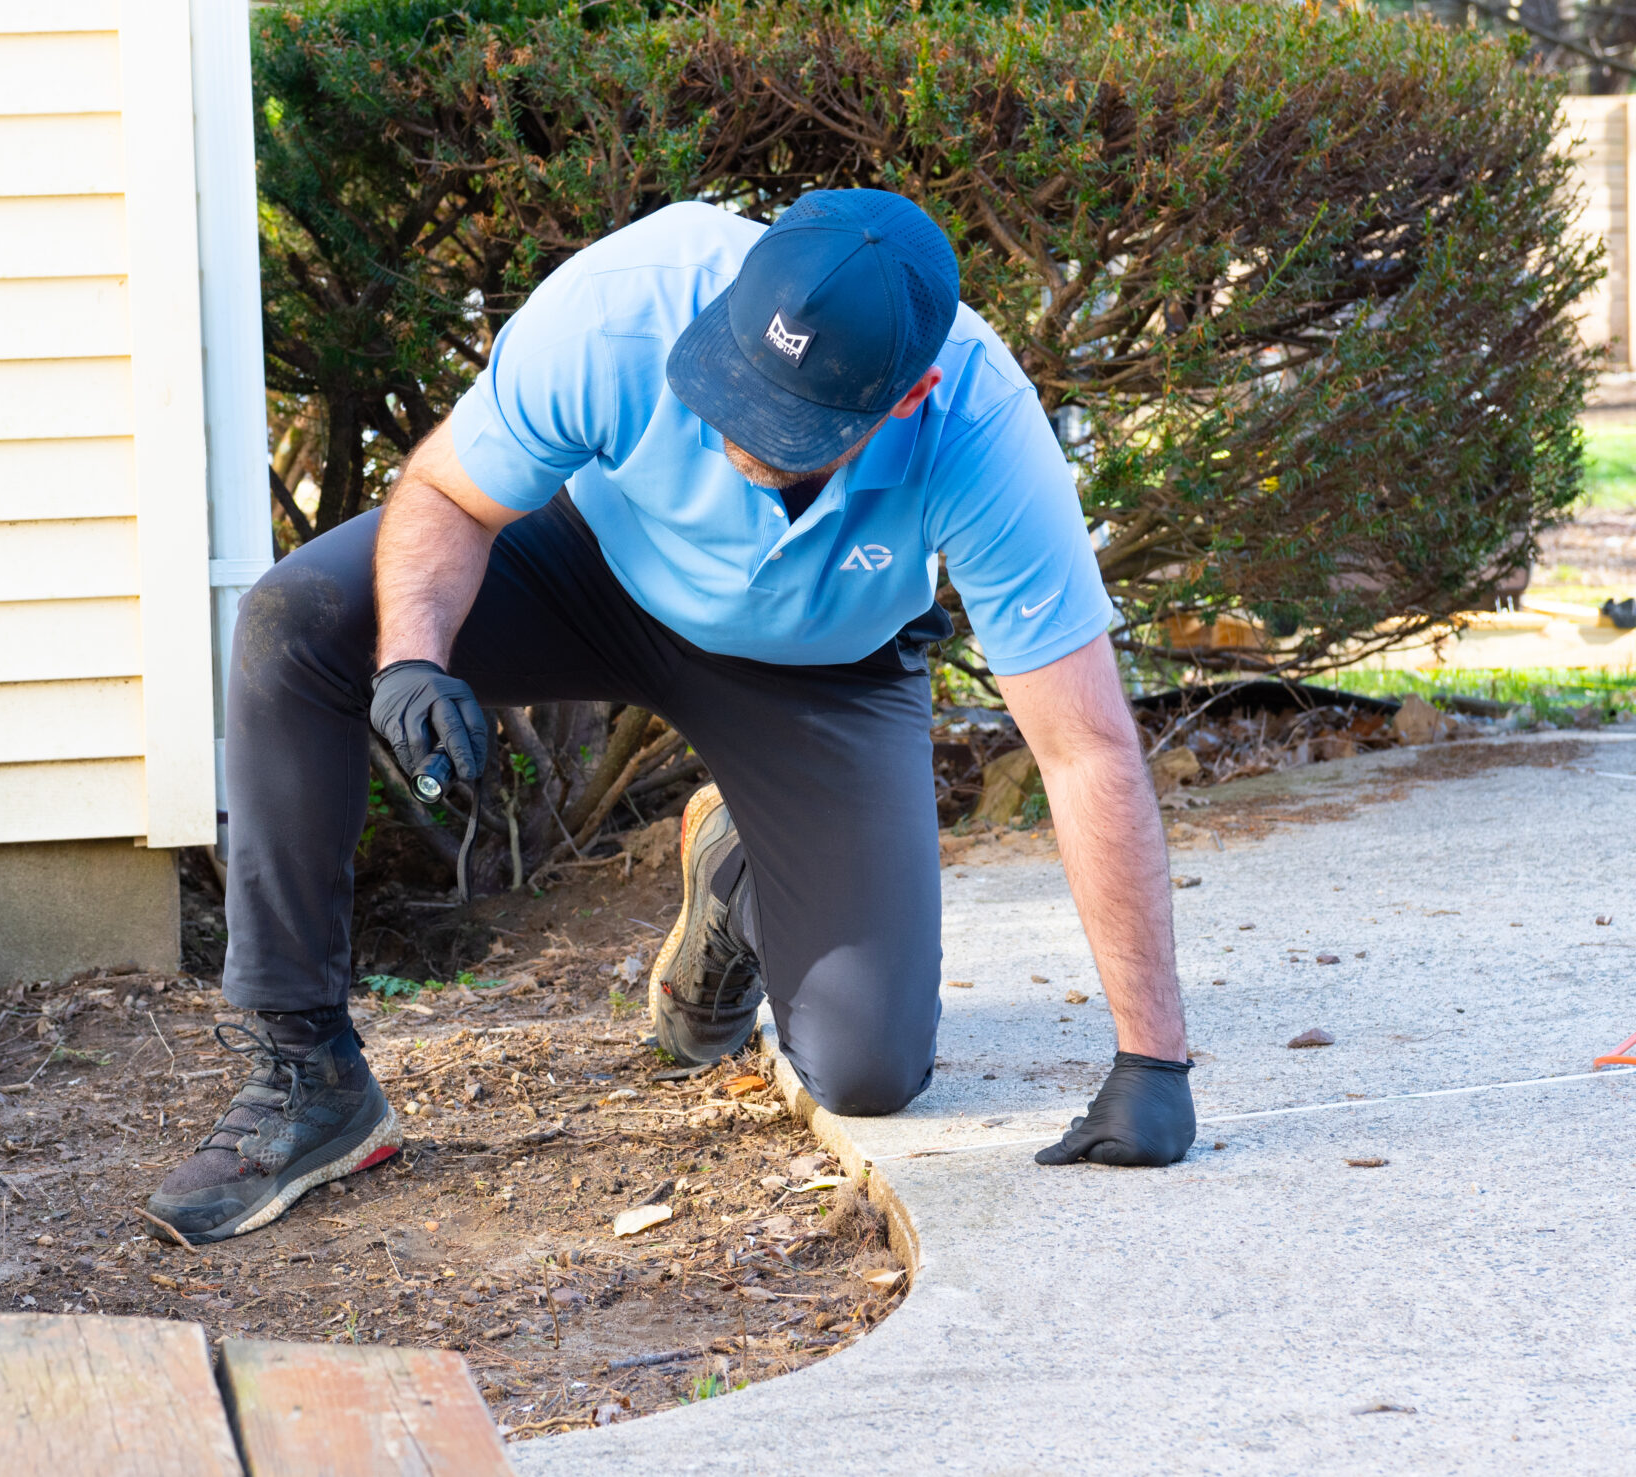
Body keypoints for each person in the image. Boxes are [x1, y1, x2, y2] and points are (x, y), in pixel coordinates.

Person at [148, 189, 1195, 1244]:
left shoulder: (980, 429)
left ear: (907, 395)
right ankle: (308, 1074)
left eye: (786, 427)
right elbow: (446, 494)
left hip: (819, 666)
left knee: (869, 1067)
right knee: (297, 620)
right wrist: (413, 658)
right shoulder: (620, 307)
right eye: (730, 388)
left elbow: (1083, 750)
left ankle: (737, 875)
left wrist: (1152, 1059)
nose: (740, 433)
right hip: (590, 570)